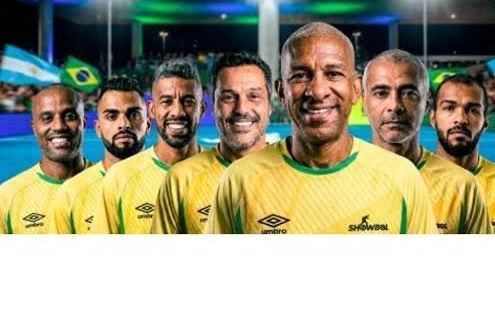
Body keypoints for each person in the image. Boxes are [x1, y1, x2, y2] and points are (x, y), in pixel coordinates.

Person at [206, 23, 438, 234]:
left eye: (333, 74)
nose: (317, 91)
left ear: (356, 89)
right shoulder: (239, 180)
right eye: (300, 75)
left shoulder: (401, 177)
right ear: (282, 92)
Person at [363, 51, 491, 234]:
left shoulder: (463, 186)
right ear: (363, 102)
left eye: (409, 94)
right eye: (381, 93)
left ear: (427, 104)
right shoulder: (336, 184)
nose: (395, 106)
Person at [151, 52, 272, 234]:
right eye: (228, 97)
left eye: (253, 96)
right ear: (213, 106)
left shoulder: (294, 174)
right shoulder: (180, 180)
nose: (241, 108)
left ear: (270, 105)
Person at [90, 59, 205, 234]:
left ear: (202, 109)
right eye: (166, 101)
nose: (177, 112)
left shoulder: (227, 176)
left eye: (188, 102)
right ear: (151, 110)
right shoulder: (119, 178)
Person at [49, 76, 150, 234]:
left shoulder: (172, 183)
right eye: (111, 116)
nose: (124, 124)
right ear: (98, 128)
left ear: (148, 125)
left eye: (134, 115)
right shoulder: (71, 193)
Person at [0, 84, 91, 234]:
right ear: (34, 128)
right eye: (47, 118)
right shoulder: (6, 196)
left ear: (84, 123)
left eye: (70, 116)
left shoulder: (111, 185)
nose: (59, 126)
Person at [430, 73, 495, 229]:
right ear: (433, 118)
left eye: (472, 110)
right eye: (449, 108)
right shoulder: (411, 182)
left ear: (485, 122)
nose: (460, 119)